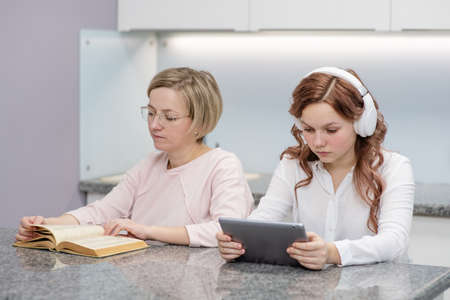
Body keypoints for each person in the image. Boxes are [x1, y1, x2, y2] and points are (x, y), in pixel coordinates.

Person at [17, 67, 254, 247]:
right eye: (150, 113)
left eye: (168, 117)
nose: (154, 125)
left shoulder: (222, 165)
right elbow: (101, 211)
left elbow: (225, 231)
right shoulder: (149, 165)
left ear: (200, 122)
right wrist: (47, 225)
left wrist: (147, 231)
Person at [217, 67, 415, 269]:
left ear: (360, 123)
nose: (318, 142)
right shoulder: (293, 165)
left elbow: (394, 241)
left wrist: (332, 253)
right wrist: (238, 242)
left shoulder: (394, 167)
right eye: (308, 129)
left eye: (331, 130)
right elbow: (264, 217)